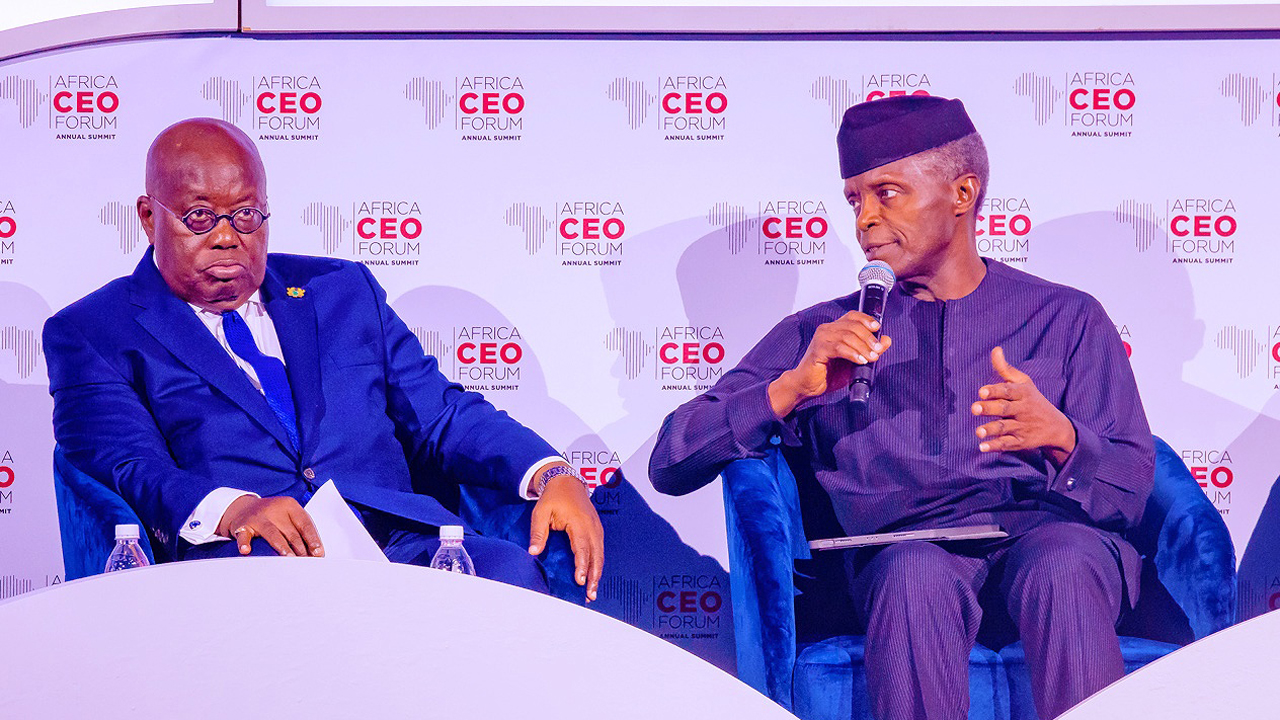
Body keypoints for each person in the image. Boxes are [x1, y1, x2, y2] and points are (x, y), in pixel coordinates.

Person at [649, 96, 1153, 720]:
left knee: (1064, 563)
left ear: (962, 193)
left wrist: (1063, 438)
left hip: (1045, 541)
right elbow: (671, 460)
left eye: (887, 193)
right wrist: (790, 389)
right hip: (902, 562)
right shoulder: (824, 332)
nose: (866, 220)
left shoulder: (1066, 317)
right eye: (855, 201)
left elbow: (1132, 491)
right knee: (914, 573)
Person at [44, 117, 603, 599]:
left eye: (245, 215)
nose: (227, 237)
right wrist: (235, 510)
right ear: (148, 216)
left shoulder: (342, 291)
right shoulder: (93, 332)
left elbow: (441, 415)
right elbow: (132, 467)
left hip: (398, 544)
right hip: (250, 558)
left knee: (506, 574)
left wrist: (551, 472)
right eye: (199, 217)